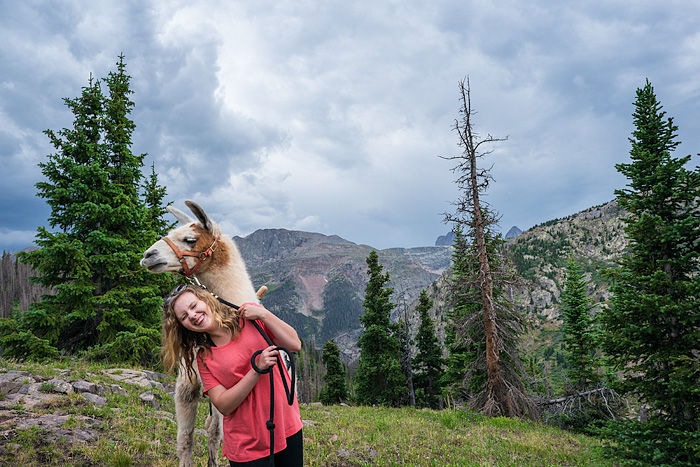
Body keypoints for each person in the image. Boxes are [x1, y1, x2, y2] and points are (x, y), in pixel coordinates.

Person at [162, 284, 304, 467]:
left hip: (287, 426)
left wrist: (263, 314)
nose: (192, 315)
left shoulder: (250, 317)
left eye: (193, 306)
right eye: (184, 317)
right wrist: (256, 370)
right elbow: (223, 405)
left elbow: (294, 344)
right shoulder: (204, 357)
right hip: (247, 445)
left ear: (205, 299)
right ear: (183, 327)